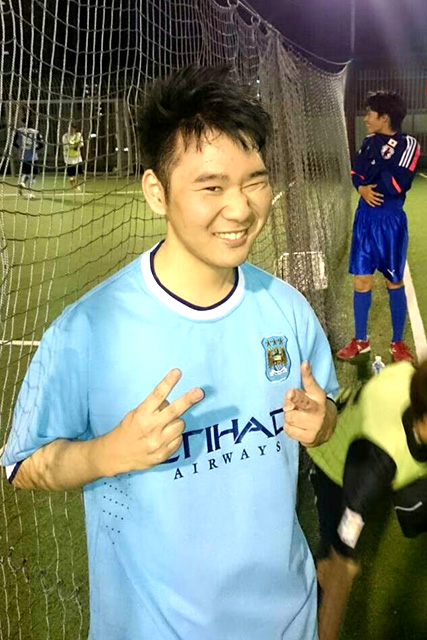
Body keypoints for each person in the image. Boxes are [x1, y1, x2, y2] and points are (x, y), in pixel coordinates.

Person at [2, 66, 338, 640]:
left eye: (254, 181)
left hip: (289, 622)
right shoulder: (87, 330)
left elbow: (326, 413)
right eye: (212, 187)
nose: (241, 209)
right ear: (156, 192)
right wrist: (107, 452)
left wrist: (321, 421)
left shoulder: (286, 308)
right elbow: (21, 466)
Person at [308, 360, 427, 640]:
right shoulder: (375, 465)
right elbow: (343, 565)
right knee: (335, 557)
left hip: (378, 440)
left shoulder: (409, 375)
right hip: (335, 464)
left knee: (415, 510)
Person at [338, 91, 420, 364]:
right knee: (361, 280)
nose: (365, 118)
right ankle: (361, 340)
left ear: (384, 117)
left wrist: (374, 171)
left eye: (370, 113)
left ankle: (397, 342)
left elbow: (398, 183)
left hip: (390, 222)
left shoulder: (409, 144)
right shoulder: (368, 142)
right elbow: (357, 173)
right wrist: (361, 188)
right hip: (365, 219)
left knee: (393, 280)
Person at [13, 117, 44, 199]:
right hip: (33, 156)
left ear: (24, 123)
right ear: (32, 124)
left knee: (26, 172)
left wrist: (20, 148)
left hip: (23, 156)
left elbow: (14, 142)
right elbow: (42, 144)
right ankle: (29, 192)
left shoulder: (19, 131)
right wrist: (35, 149)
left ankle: (22, 182)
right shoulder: (35, 132)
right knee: (34, 174)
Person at [62, 123, 84, 190]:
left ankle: (78, 185)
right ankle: (74, 186)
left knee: (79, 172)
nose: (71, 129)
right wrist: (74, 146)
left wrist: (77, 146)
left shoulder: (78, 135)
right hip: (68, 157)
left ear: (76, 129)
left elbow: (81, 144)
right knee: (71, 175)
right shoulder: (65, 136)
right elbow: (66, 146)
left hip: (77, 157)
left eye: (73, 128)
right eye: (70, 128)